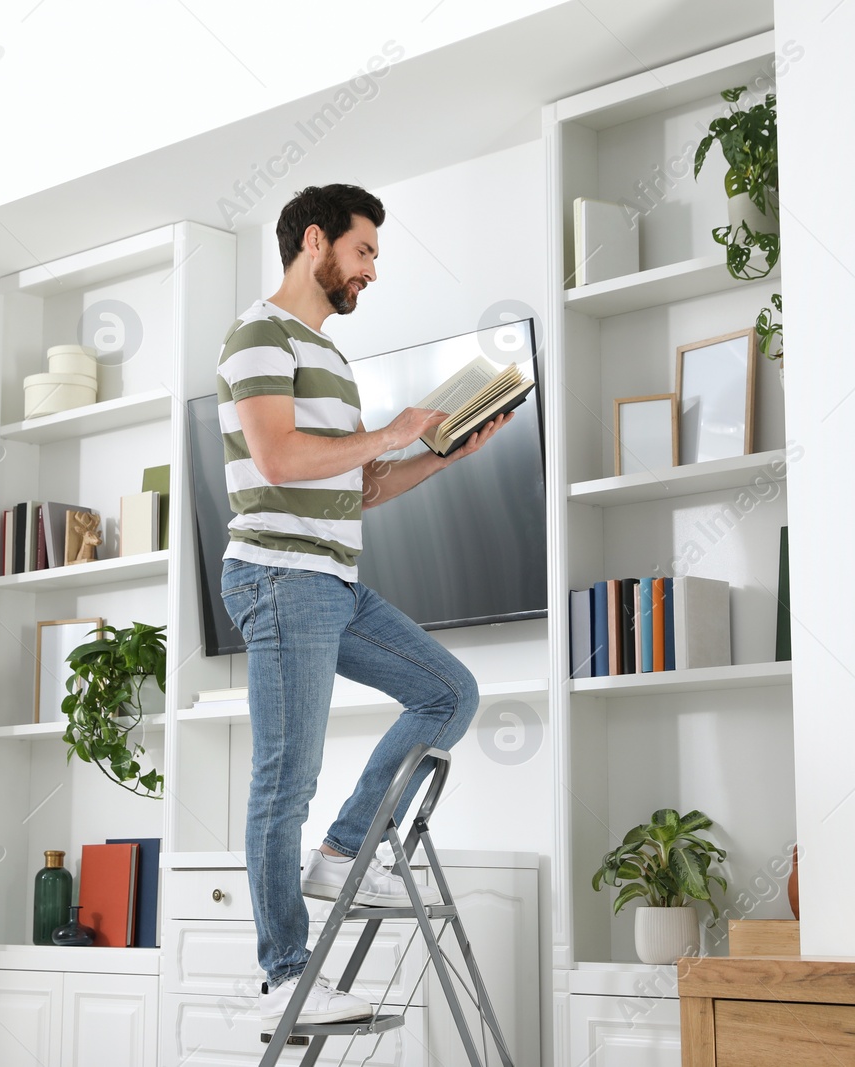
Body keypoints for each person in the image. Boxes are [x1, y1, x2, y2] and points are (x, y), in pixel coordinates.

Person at [215, 183, 513, 1029]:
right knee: (285, 778)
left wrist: (442, 452)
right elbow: (277, 456)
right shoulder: (258, 335)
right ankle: (285, 979)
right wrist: (387, 430)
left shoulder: (330, 359)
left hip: (333, 580)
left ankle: (345, 850)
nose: (372, 270)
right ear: (317, 241)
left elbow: (360, 486)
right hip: (278, 577)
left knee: (448, 692)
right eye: (365, 251)